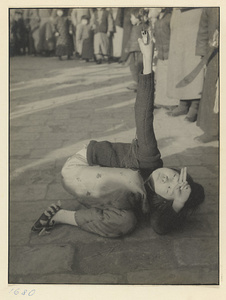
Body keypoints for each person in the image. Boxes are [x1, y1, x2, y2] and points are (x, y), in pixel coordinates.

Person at [31, 30, 205, 238]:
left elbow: (159, 227)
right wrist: (148, 59)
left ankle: (59, 215)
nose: (166, 178)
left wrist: (178, 203)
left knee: (126, 221)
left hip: (95, 189)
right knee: (132, 181)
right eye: (173, 175)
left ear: (164, 200)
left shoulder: (152, 203)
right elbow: (144, 114)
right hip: (80, 166)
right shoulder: (149, 157)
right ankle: (96, 199)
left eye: (168, 188)